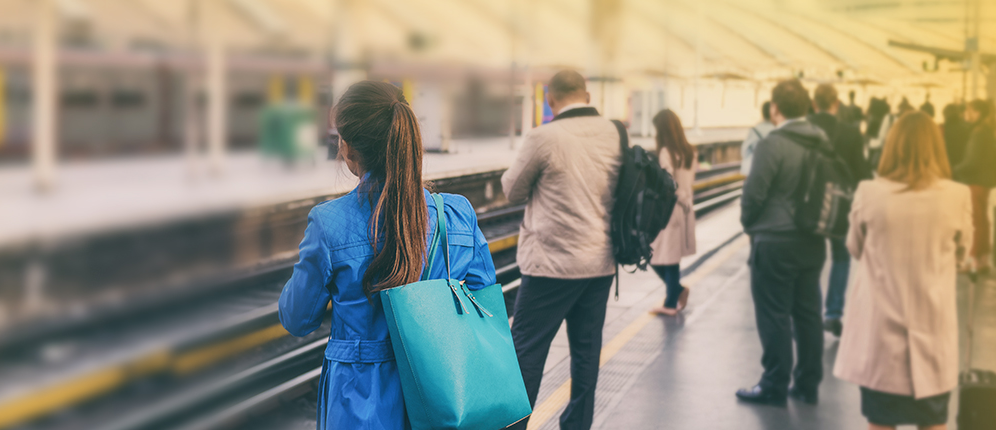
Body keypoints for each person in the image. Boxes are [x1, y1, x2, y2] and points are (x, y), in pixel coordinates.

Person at [277, 81, 498, 429]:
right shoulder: (457, 213)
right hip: (443, 391)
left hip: (359, 400)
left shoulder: (328, 223)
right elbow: (484, 295)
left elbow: (297, 318)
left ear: (349, 150)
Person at [834, 112, 973, 430]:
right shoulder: (957, 195)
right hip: (933, 334)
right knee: (934, 421)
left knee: (880, 422)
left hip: (880, 339)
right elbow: (963, 253)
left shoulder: (869, 192)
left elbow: (855, 248)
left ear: (891, 147)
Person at [501, 70, 621, 430]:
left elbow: (512, 190)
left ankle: (513, 426)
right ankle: (577, 425)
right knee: (587, 354)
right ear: (586, 94)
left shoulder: (545, 136)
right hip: (600, 262)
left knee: (527, 353)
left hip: (550, 267)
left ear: (550, 100)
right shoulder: (614, 132)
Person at [735, 79, 828, 406]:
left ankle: (774, 384)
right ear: (807, 108)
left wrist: (750, 224)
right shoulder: (821, 141)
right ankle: (807, 383)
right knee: (808, 313)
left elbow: (754, 193)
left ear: (775, 109)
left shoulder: (772, 143)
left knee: (774, 313)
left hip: (774, 241)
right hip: (813, 241)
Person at [808, 84, 872, 337]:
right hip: (842, 206)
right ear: (836, 104)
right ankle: (833, 314)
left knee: (811, 260)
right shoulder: (851, 133)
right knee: (841, 258)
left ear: (814, 104)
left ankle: (810, 313)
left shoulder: (803, 128)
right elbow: (862, 173)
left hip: (809, 205)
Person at [649, 109, 697, 316]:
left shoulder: (665, 152)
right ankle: (675, 293)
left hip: (670, 209)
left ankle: (671, 301)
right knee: (672, 256)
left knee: (656, 254)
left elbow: (667, 183)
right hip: (686, 208)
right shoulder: (690, 151)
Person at [955, 99, 996, 272]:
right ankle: (984, 259)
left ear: (978, 113)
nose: (966, 114)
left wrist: (953, 169)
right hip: (986, 180)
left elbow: (971, 161)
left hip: (976, 180)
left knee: (975, 221)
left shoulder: (978, 132)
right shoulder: (987, 131)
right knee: (984, 221)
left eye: (969, 110)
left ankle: (972, 260)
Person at [741, 101, 775, 176]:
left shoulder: (755, 130)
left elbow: (745, 150)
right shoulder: (778, 130)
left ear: (762, 113)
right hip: (772, 170)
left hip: (754, 169)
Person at [942, 103, 972, 168]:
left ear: (945, 115)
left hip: (946, 164)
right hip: (961, 164)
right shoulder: (966, 129)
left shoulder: (942, 129)